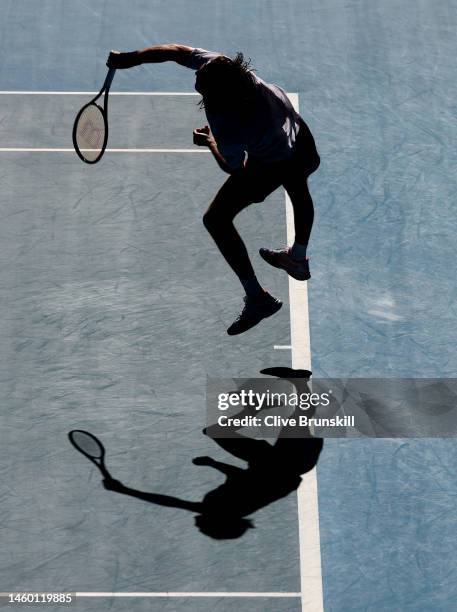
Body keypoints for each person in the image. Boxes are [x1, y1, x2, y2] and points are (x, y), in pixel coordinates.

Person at [107, 45, 320, 335]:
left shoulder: (228, 122)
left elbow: (233, 167)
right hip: (295, 132)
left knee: (216, 219)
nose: (197, 83)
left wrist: (208, 142)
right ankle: (297, 257)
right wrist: (131, 58)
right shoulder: (229, 71)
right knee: (298, 184)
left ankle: (258, 299)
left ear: (218, 95)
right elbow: (176, 51)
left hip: (271, 161)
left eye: (203, 88)